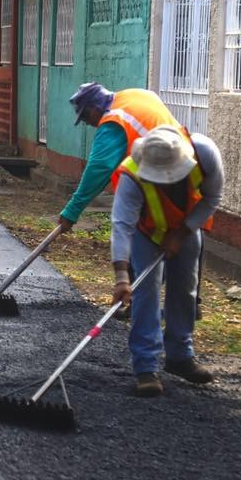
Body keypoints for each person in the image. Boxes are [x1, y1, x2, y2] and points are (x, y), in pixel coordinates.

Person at [110, 125, 223, 397]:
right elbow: (122, 226)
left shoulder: (205, 154)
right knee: (146, 291)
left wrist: (182, 233)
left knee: (185, 289)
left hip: (186, 227)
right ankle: (145, 367)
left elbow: (212, 197)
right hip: (147, 233)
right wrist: (122, 278)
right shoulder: (131, 174)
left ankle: (180, 357)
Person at [58, 83, 182, 233]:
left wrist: (72, 210)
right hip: (184, 170)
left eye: (85, 115)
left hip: (162, 185)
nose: (86, 122)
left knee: (142, 237)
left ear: (95, 107)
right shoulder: (136, 94)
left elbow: (98, 168)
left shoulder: (113, 121)